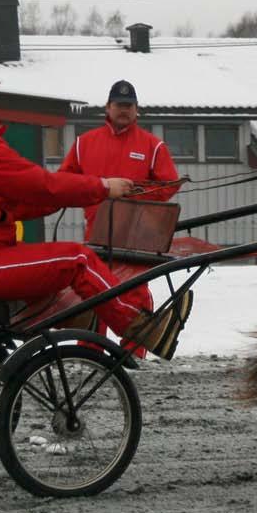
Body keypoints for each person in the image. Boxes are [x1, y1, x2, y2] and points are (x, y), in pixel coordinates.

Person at [0, 57, 181, 359]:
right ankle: (140, 328)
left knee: (53, 266)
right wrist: (103, 187)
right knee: (78, 259)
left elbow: (11, 203)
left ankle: (80, 317)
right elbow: (43, 184)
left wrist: (54, 201)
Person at [58, 79, 191, 358]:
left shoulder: (153, 145)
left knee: (134, 294)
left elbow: (169, 184)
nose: (124, 110)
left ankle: (133, 354)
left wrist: (136, 194)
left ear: (136, 110)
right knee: (92, 293)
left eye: (128, 106)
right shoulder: (84, 144)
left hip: (136, 236)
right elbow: (64, 182)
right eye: (119, 105)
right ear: (108, 107)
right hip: (96, 234)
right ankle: (90, 355)